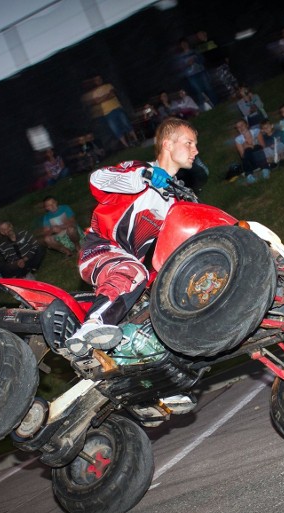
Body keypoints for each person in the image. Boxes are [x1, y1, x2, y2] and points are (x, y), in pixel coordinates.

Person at [66, 117, 198, 356]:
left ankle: (162, 378)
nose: (195, 150)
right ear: (167, 144)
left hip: (130, 262)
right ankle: (90, 326)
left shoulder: (174, 200)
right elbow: (97, 179)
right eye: (189, 143)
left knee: (163, 303)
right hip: (100, 249)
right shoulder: (137, 169)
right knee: (135, 272)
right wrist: (143, 177)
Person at [81, 75, 138, 149]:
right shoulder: (85, 96)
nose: (99, 81)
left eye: (100, 79)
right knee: (116, 129)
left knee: (126, 124)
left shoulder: (107, 86)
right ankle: (126, 145)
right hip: (105, 113)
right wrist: (105, 96)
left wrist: (99, 99)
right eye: (96, 80)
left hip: (116, 108)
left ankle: (136, 140)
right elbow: (93, 102)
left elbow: (112, 94)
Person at [176, 38, 218, 108]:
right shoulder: (181, 56)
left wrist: (196, 60)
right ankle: (204, 108)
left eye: (185, 43)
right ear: (181, 46)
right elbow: (181, 67)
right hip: (191, 76)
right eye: (182, 44)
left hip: (201, 72)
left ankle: (216, 103)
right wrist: (187, 64)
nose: (184, 45)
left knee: (208, 88)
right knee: (199, 91)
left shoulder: (194, 51)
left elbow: (202, 59)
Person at [233, 119, 272, 184]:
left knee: (257, 147)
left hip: (262, 157)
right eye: (238, 127)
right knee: (247, 151)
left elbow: (263, 146)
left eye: (242, 125)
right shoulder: (238, 139)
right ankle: (249, 176)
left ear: (247, 125)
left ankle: (265, 169)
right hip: (251, 162)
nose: (241, 128)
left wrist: (250, 146)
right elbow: (243, 156)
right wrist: (248, 148)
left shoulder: (256, 131)